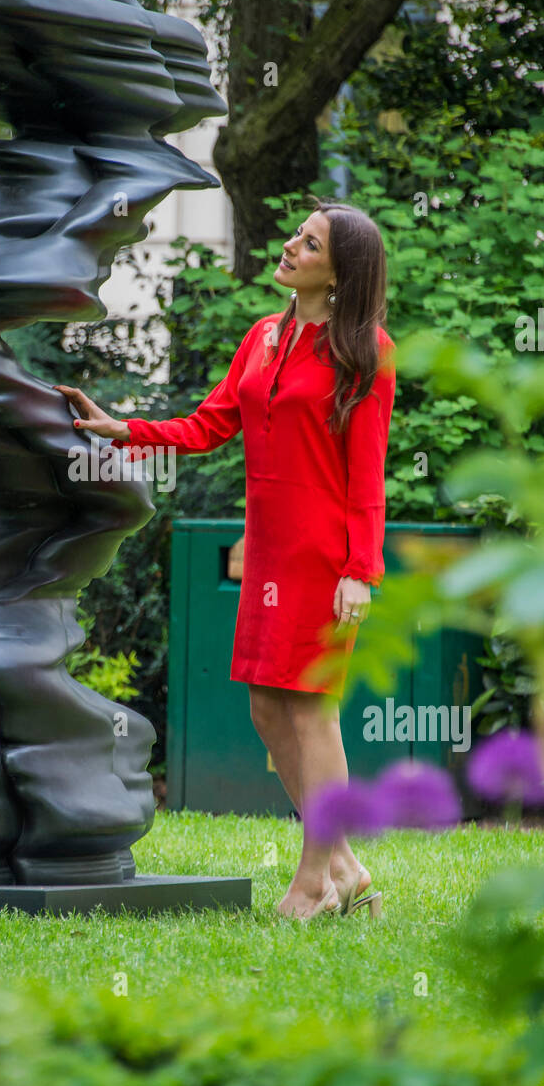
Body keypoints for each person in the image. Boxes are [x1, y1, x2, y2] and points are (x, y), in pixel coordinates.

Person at [54, 201, 396, 921]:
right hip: (269, 552)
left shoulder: (366, 353)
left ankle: (313, 882)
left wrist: (361, 571)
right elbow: (211, 424)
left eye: (310, 243)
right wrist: (124, 429)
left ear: (341, 272)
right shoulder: (263, 337)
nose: (292, 247)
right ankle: (345, 864)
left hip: (325, 556)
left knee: (313, 713)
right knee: (267, 708)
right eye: (296, 235)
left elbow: (368, 475)